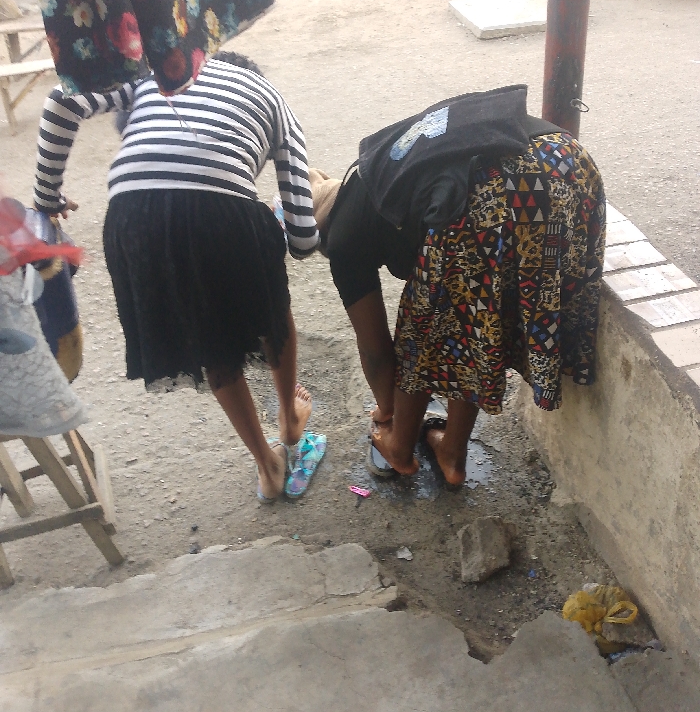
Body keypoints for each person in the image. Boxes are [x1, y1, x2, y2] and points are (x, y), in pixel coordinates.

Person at [34, 51, 321, 502]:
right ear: (251, 77)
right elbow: (303, 241)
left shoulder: (156, 73)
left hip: (132, 219)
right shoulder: (274, 101)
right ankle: (288, 418)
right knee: (273, 303)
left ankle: (267, 467)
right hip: (223, 214)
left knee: (208, 333)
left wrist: (46, 199)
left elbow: (61, 100)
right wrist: (268, 228)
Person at [310, 110, 605, 490]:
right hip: (567, 160)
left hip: (492, 191)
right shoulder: (379, 167)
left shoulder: (343, 241)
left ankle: (399, 449)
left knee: (424, 327)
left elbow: (375, 351)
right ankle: (451, 451)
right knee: (472, 316)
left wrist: (387, 411)